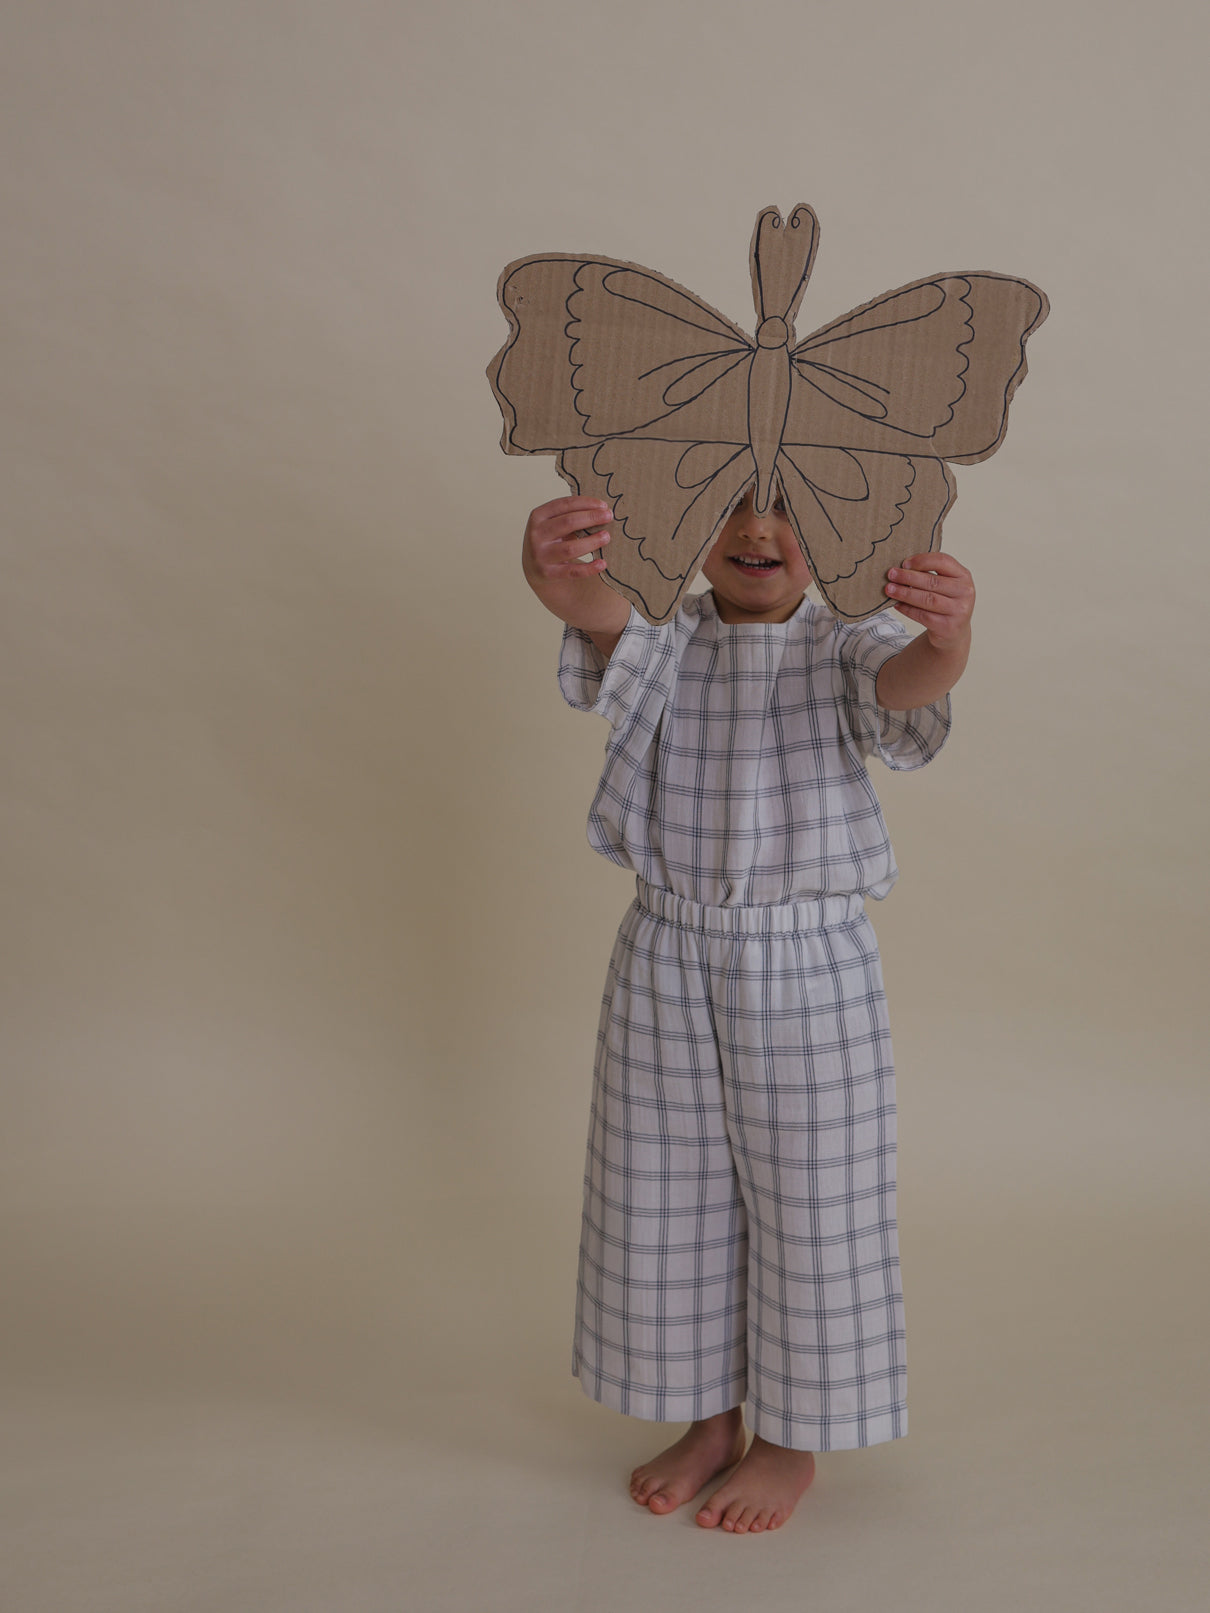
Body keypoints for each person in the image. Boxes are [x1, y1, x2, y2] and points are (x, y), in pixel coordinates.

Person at [522, 485, 975, 1535]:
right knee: (661, 1192)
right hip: (665, 946)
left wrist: (949, 634)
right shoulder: (665, 631)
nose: (758, 532)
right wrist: (549, 564)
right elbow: (584, 603)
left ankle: (788, 1438)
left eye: (790, 507)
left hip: (807, 960)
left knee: (813, 1200)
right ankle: (707, 1416)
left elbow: (912, 683)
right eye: (726, 505)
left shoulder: (849, 637)